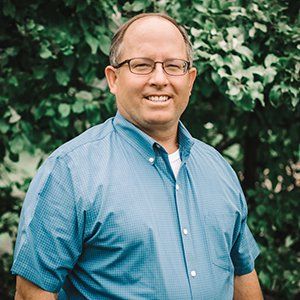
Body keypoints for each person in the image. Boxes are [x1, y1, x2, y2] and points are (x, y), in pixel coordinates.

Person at [12, 13, 263, 300]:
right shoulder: (70, 171)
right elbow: (33, 292)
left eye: (173, 66)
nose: (159, 79)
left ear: (190, 80)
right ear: (113, 78)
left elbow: (242, 273)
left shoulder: (218, 168)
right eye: (141, 65)